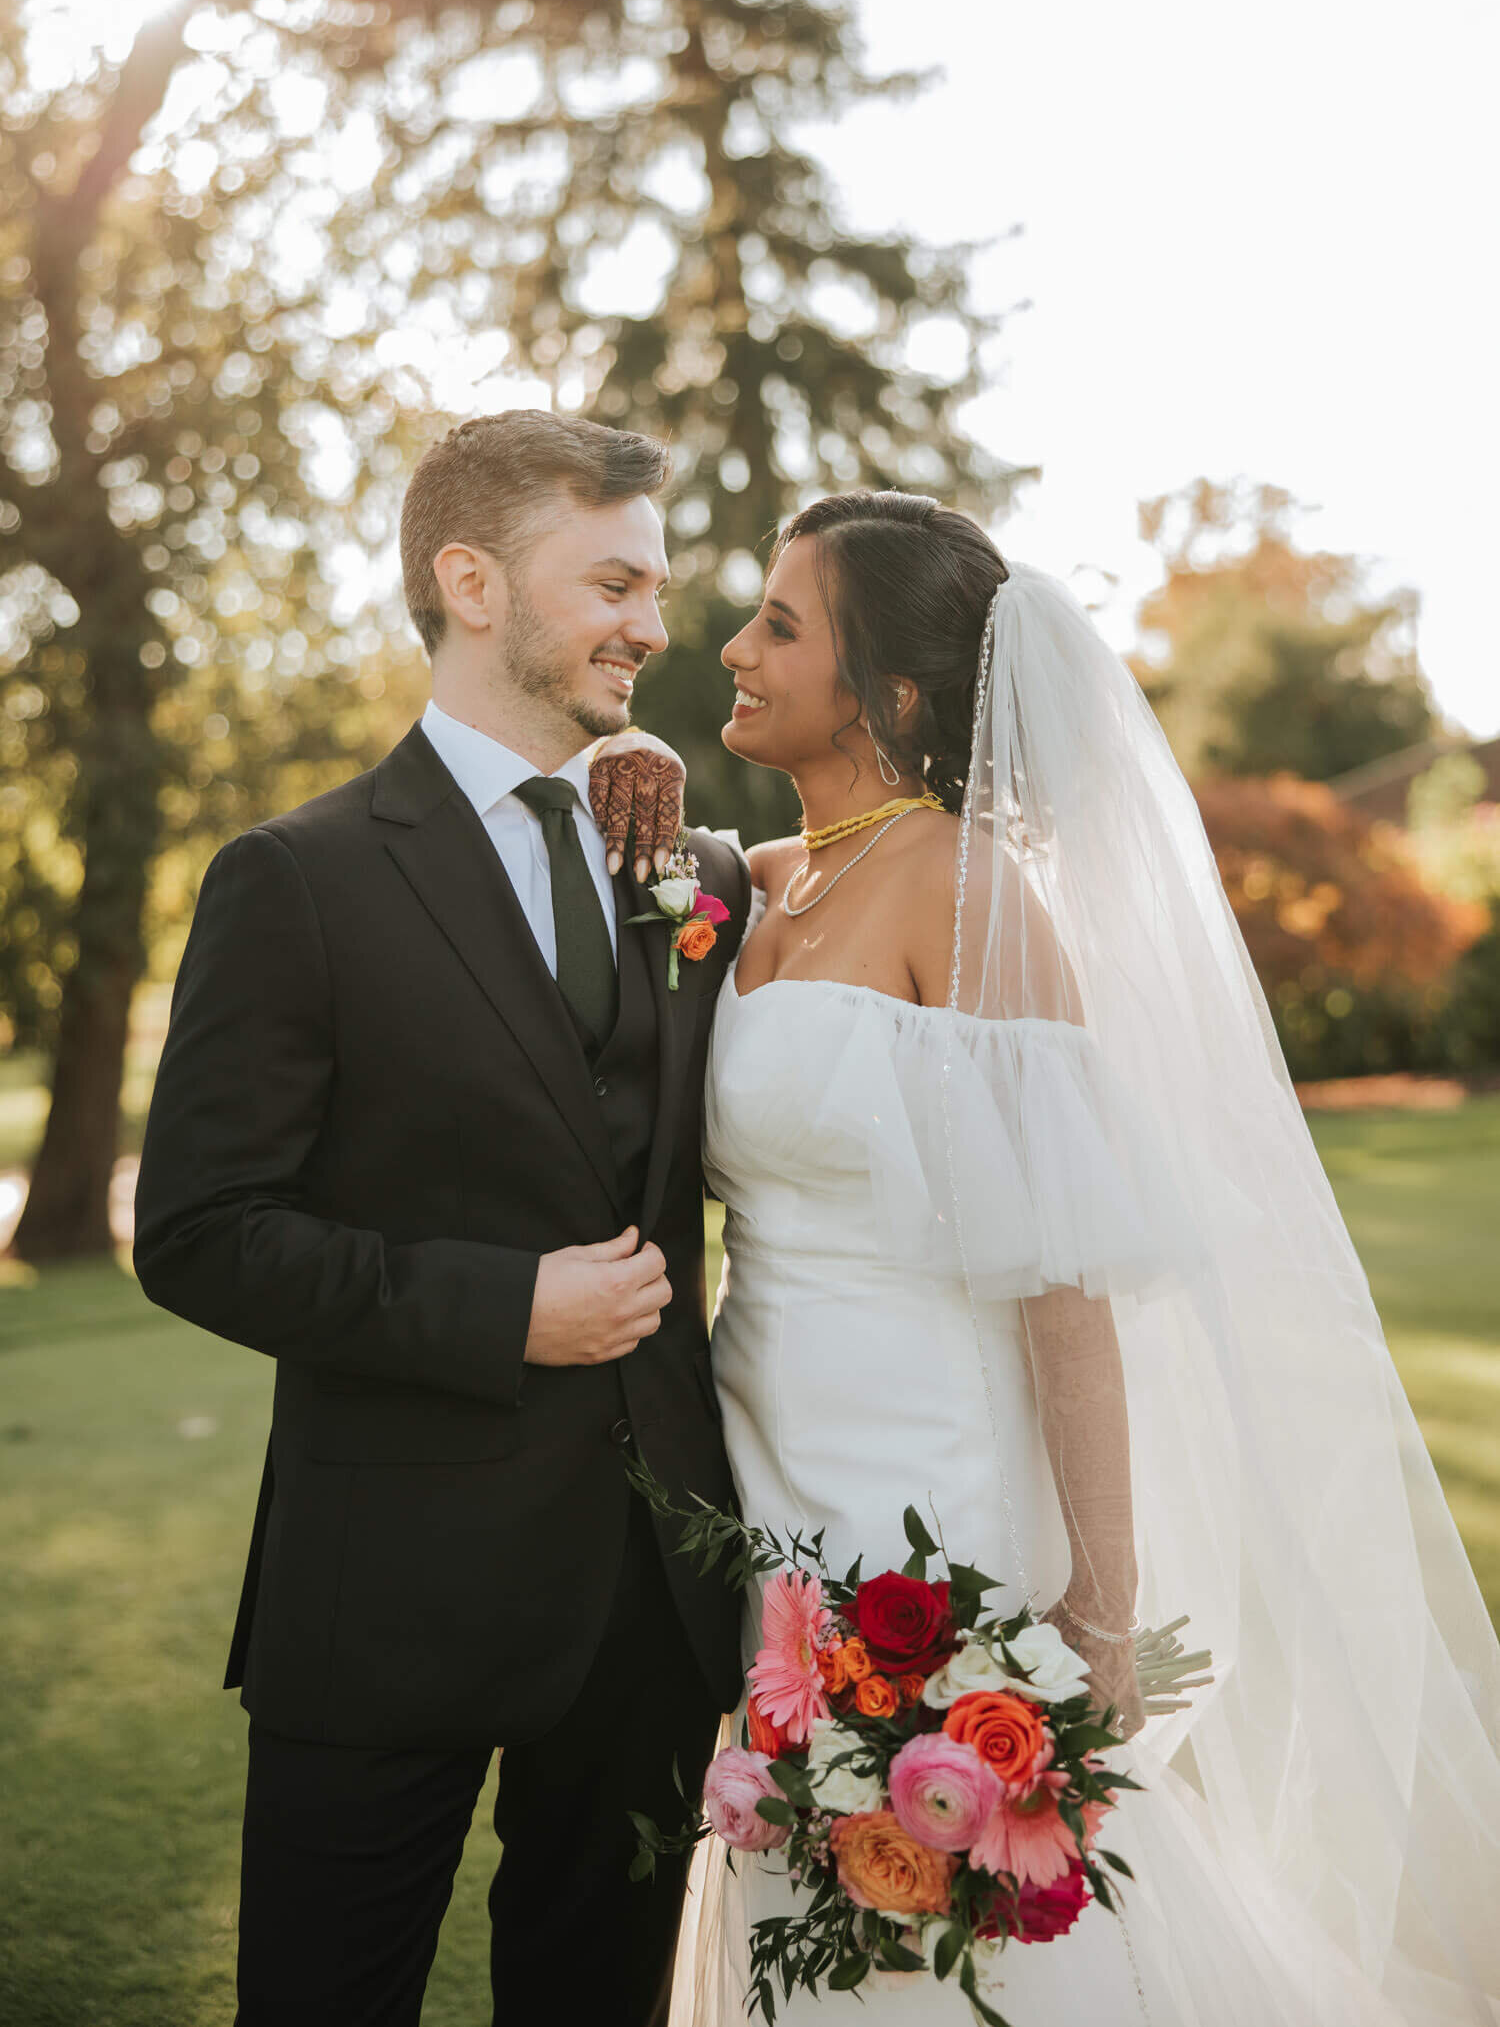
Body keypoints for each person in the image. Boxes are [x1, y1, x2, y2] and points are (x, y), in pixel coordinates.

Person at [607, 491, 1500, 2025]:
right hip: (770, 1466)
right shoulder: (764, 880)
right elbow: (660, 879)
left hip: (936, 1480)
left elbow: (1065, 1281)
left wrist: (1102, 1589)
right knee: (805, 1852)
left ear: (886, 693)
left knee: (974, 1895)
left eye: (781, 623)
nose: (736, 648)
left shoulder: (973, 894)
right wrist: (641, 768)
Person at [132, 410, 753, 2027]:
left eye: (659, 584)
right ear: (469, 580)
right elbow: (198, 1227)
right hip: (388, 1591)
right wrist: (502, 1307)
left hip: (647, 1592)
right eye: (613, 579)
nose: (654, 623)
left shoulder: (680, 865)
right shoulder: (299, 877)